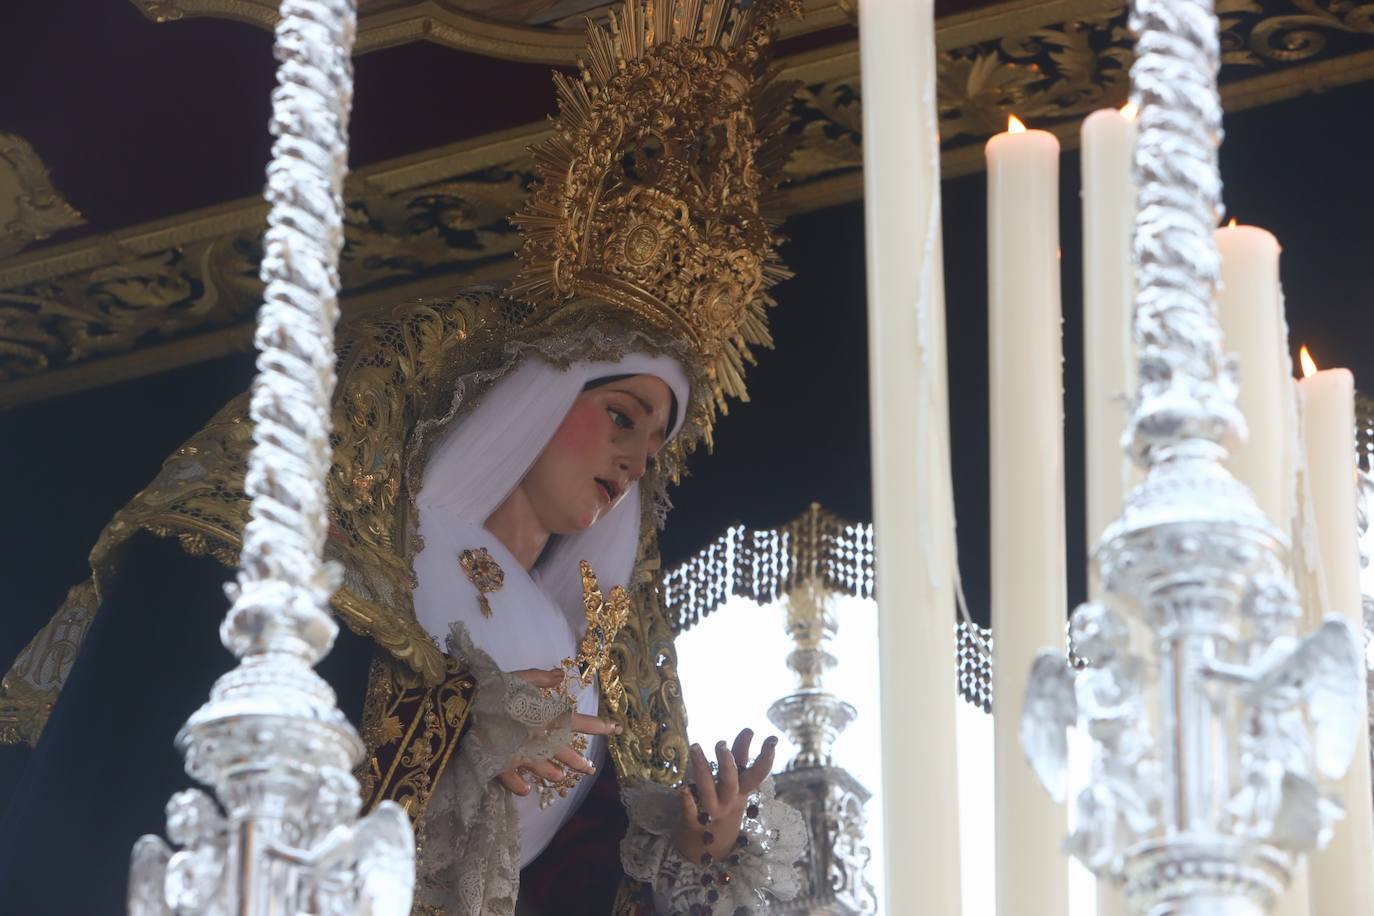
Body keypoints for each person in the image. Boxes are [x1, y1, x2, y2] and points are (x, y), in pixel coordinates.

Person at [0, 1, 807, 913]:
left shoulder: (574, 656)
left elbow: (571, 881)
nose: (633, 461)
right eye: (620, 416)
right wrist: (463, 729)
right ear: (538, 401)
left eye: (657, 446)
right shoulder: (373, 545)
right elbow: (216, 696)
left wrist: (695, 848)